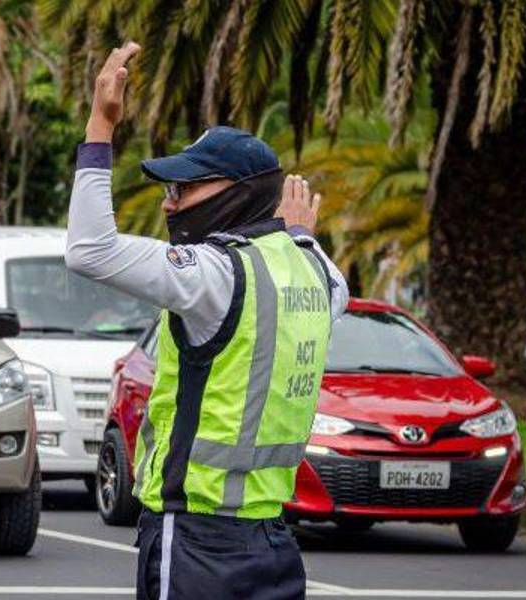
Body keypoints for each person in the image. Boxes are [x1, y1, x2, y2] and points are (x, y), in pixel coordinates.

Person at [65, 42, 349, 600]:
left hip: (197, 539)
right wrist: (297, 234)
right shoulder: (317, 276)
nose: (169, 204)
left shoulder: (215, 274)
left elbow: (89, 250)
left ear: (239, 195)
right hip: (273, 541)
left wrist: (101, 123)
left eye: (185, 188)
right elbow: (324, 271)